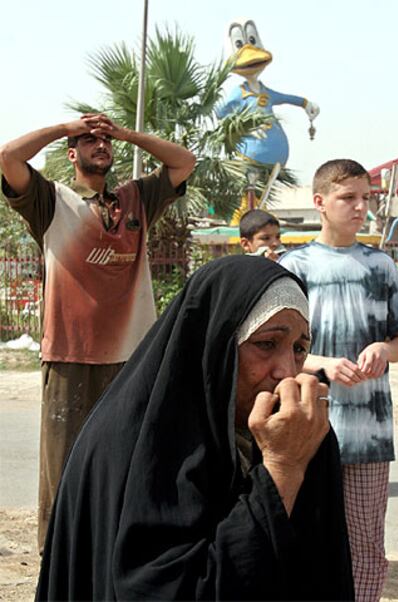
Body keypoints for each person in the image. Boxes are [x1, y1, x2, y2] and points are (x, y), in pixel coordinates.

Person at [35, 255, 354, 601]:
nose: (286, 371)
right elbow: (171, 589)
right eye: (266, 344)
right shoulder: (130, 445)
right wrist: (282, 470)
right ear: (215, 344)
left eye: (299, 349)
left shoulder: (297, 434)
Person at [0, 113, 196, 552]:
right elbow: (9, 156)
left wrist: (126, 134)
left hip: (133, 358)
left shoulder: (137, 199)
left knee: (127, 459)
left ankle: (117, 553)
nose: (100, 145)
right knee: (63, 466)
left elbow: (184, 161)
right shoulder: (50, 201)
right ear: (72, 152)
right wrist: (65, 127)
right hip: (70, 355)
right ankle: (58, 557)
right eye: (88, 141)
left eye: (105, 141)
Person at [279, 159, 398, 602]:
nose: (360, 208)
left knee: (366, 545)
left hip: (369, 433)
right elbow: (271, 351)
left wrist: (383, 350)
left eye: (366, 198)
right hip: (304, 426)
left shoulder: (382, 268)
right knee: (300, 534)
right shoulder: (292, 267)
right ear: (319, 202)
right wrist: (321, 363)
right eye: (348, 198)